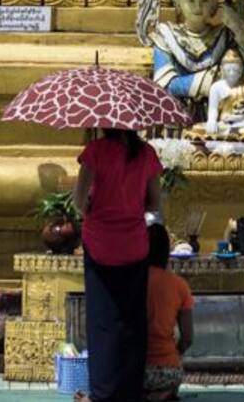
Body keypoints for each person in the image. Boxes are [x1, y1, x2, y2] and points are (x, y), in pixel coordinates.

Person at [73, 128, 163, 402]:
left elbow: (78, 202)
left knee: (103, 320)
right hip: (134, 245)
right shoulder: (146, 154)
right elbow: (155, 202)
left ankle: (102, 393)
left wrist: (93, 204)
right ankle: (130, 390)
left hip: (100, 244)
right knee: (132, 320)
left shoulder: (95, 152)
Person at [144, 225, 194, 401]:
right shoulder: (180, 285)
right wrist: (172, 354)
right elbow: (187, 338)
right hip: (169, 372)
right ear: (167, 252)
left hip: (136, 371)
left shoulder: (132, 281)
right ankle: (163, 395)